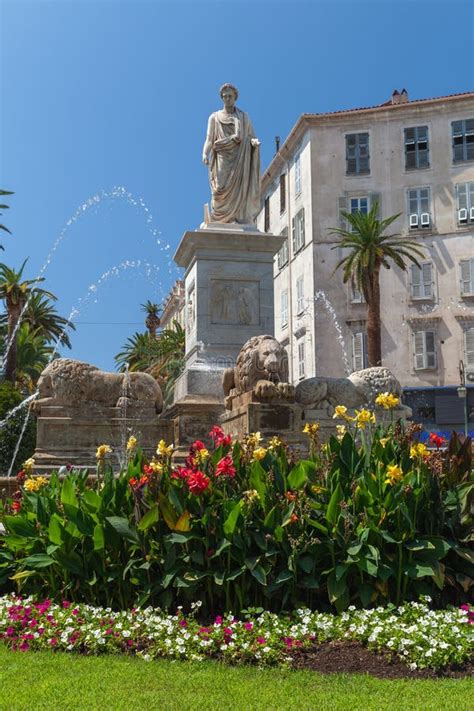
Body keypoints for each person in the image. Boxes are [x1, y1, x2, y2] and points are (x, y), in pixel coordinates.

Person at [202, 83, 261, 224]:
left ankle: (237, 216)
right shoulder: (214, 117)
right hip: (222, 155)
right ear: (222, 98)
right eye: (225, 96)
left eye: (230, 96)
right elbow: (209, 139)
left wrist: (253, 143)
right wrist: (205, 153)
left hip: (240, 156)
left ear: (235, 98)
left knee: (240, 187)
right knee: (219, 189)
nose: (228, 99)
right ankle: (218, 217)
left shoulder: (243, 117)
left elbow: (251, 135)